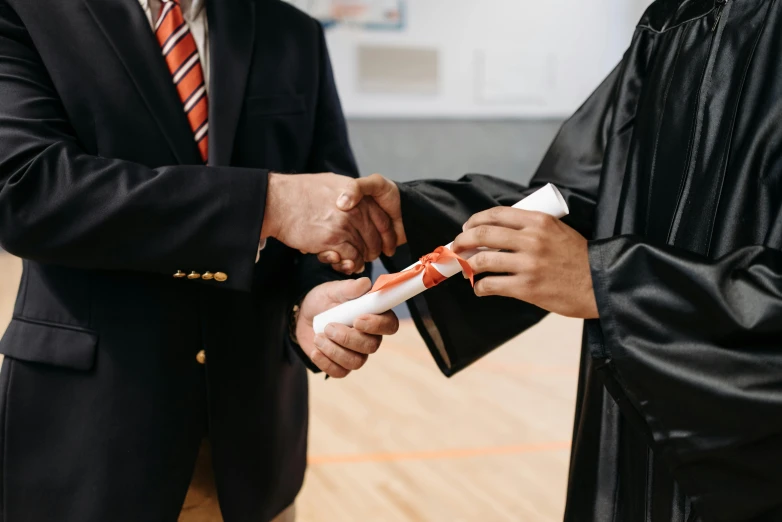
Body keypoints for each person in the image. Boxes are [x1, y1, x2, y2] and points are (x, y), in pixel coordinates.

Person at [335, 1, 782, 520]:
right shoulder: (677, 17)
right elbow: (578, 199)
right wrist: (414, 214)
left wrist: (613, 284)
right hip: (639, 408)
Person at [0, 0, 398, 521]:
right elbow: (27, 192)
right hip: (86, 443)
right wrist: (268, 203)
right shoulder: (25, 12)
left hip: (253, 449)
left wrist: (313, 298)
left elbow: (331, 209)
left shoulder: (292, 31)